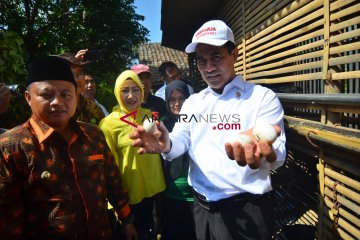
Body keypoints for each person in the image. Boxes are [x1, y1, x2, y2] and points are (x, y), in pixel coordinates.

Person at [130, 20, 286, 240]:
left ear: (235, 54)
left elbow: (278, 153)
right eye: (202, 60)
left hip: (246, 211)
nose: (209, 68)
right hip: (201, 209)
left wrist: (266, 154)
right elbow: (182, 138)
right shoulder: (194, 103)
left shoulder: (261, 98)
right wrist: (167, 144)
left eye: (216, 57)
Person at [0, 56, 138, 240]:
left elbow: (113, 182)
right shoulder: (11, 146)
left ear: (75, 96)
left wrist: (127, 220)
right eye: (46, 95)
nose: (58, 101)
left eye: (66, 94)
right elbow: (8, 218)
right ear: (28, 97)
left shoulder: (93, 135)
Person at [99, 70, 165, 240]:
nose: (131, 96)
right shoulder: (109, 124)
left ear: (142, 92)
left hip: (155, 189)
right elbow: (107, 166)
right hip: (129, 196)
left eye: (135, 90)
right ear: (116, 93)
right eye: (125, 90)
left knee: (154, 233)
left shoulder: (149, 116)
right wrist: (113, 204)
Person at [161, 80, 196, 240]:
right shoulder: (161, 127)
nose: (177, 103)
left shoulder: (199, 123)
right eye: (172, 99)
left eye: (182, 98)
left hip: (197, 197)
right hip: (171, 196)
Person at [55, 52, 105, 124]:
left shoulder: (93, 108)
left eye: (79, 73)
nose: (77, 80)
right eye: (71, 75)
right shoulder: (55, 109)